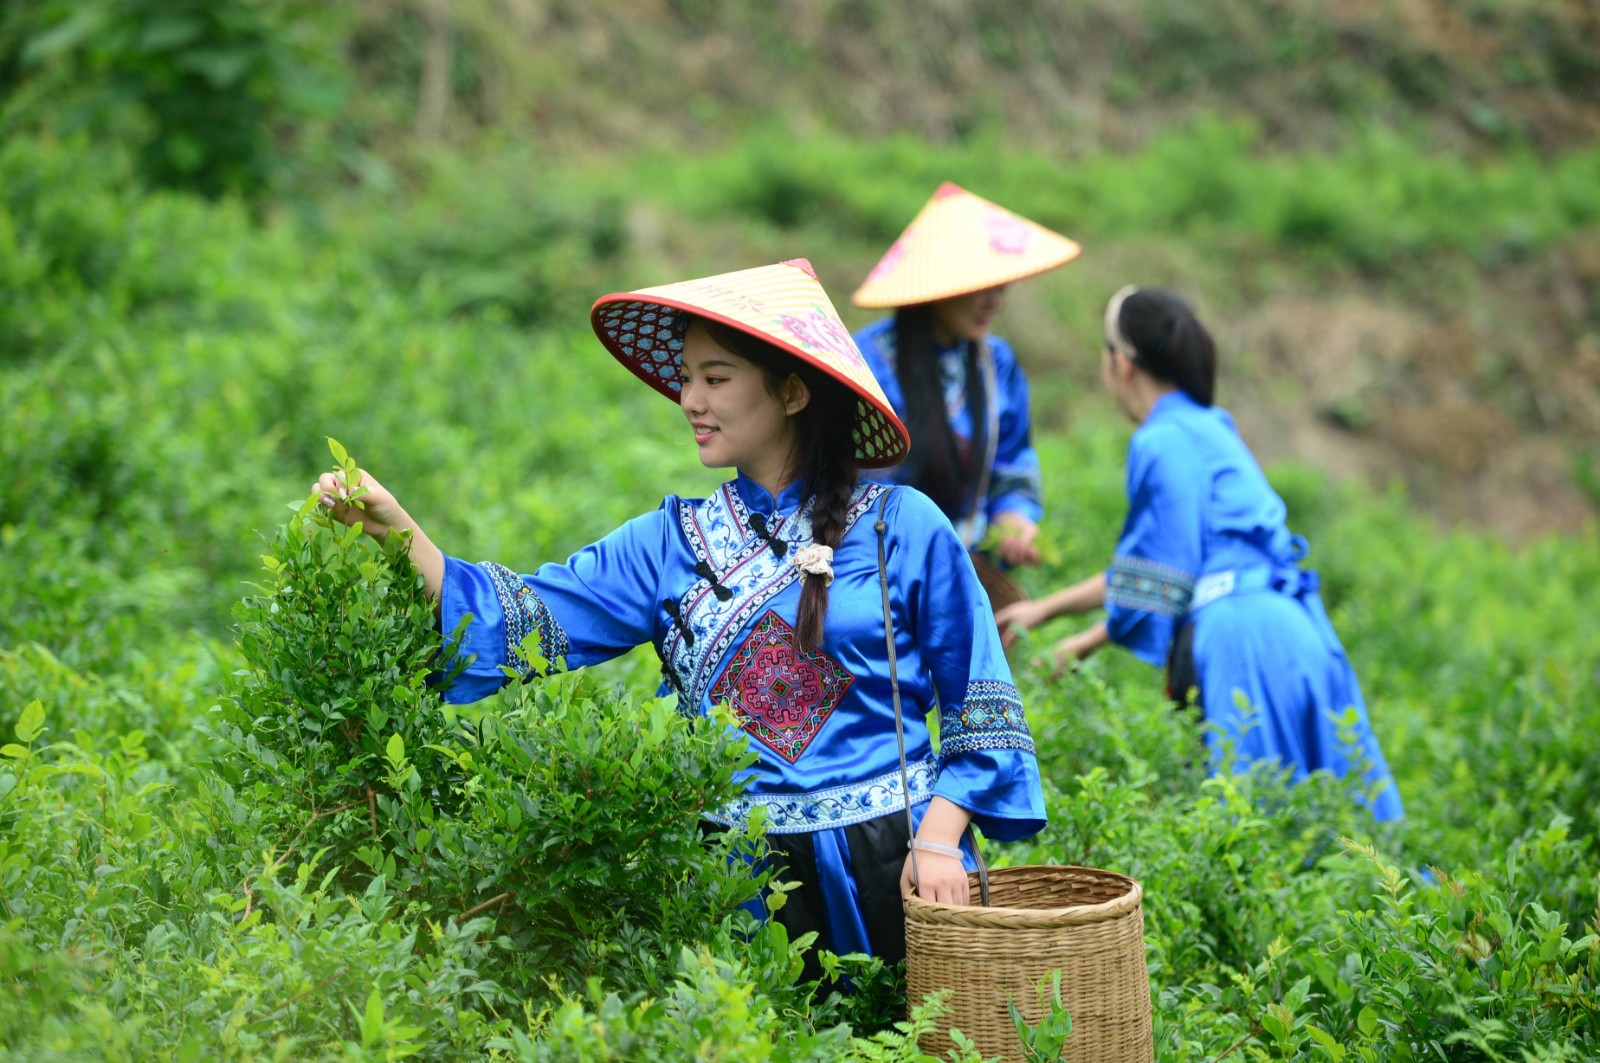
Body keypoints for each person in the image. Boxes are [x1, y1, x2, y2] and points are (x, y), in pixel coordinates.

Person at [314, 259, 1047, 977]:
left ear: (792, 391)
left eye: (715, 377)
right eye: (687, 378)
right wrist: (401, 532)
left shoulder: (903, 526)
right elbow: (527, 621)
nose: (690, 399)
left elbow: (981, 702)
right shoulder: (667, 543)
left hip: (897, 866)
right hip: (737, 882)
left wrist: (941, 842)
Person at [995, 286, 1403, 822]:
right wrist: (1054, 618)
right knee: (1340, 822)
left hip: (1241, 641)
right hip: (1295, 628)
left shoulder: (1159, 440)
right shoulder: (1211, 425)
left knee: (1252, 827)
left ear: (1120, 362)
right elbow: (1168, 569)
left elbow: (1164, 573)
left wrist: (1077, 641)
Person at [849, 182, 1080, 594]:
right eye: (980, 284)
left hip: (966, 567)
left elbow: (1012, 460)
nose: (995, 299)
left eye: (1001, 283)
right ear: (938, 284)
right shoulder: (867, 363)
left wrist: (1013, 517)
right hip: (878, 572)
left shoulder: (997, 364)